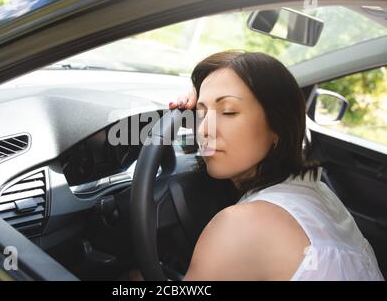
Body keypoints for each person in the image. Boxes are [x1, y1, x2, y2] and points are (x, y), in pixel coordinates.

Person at [162, 50, 384, 281]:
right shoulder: (318, 192)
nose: (204, 129)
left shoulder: (241, 225)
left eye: (228, 111)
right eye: (201, 113)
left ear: (276, 126)